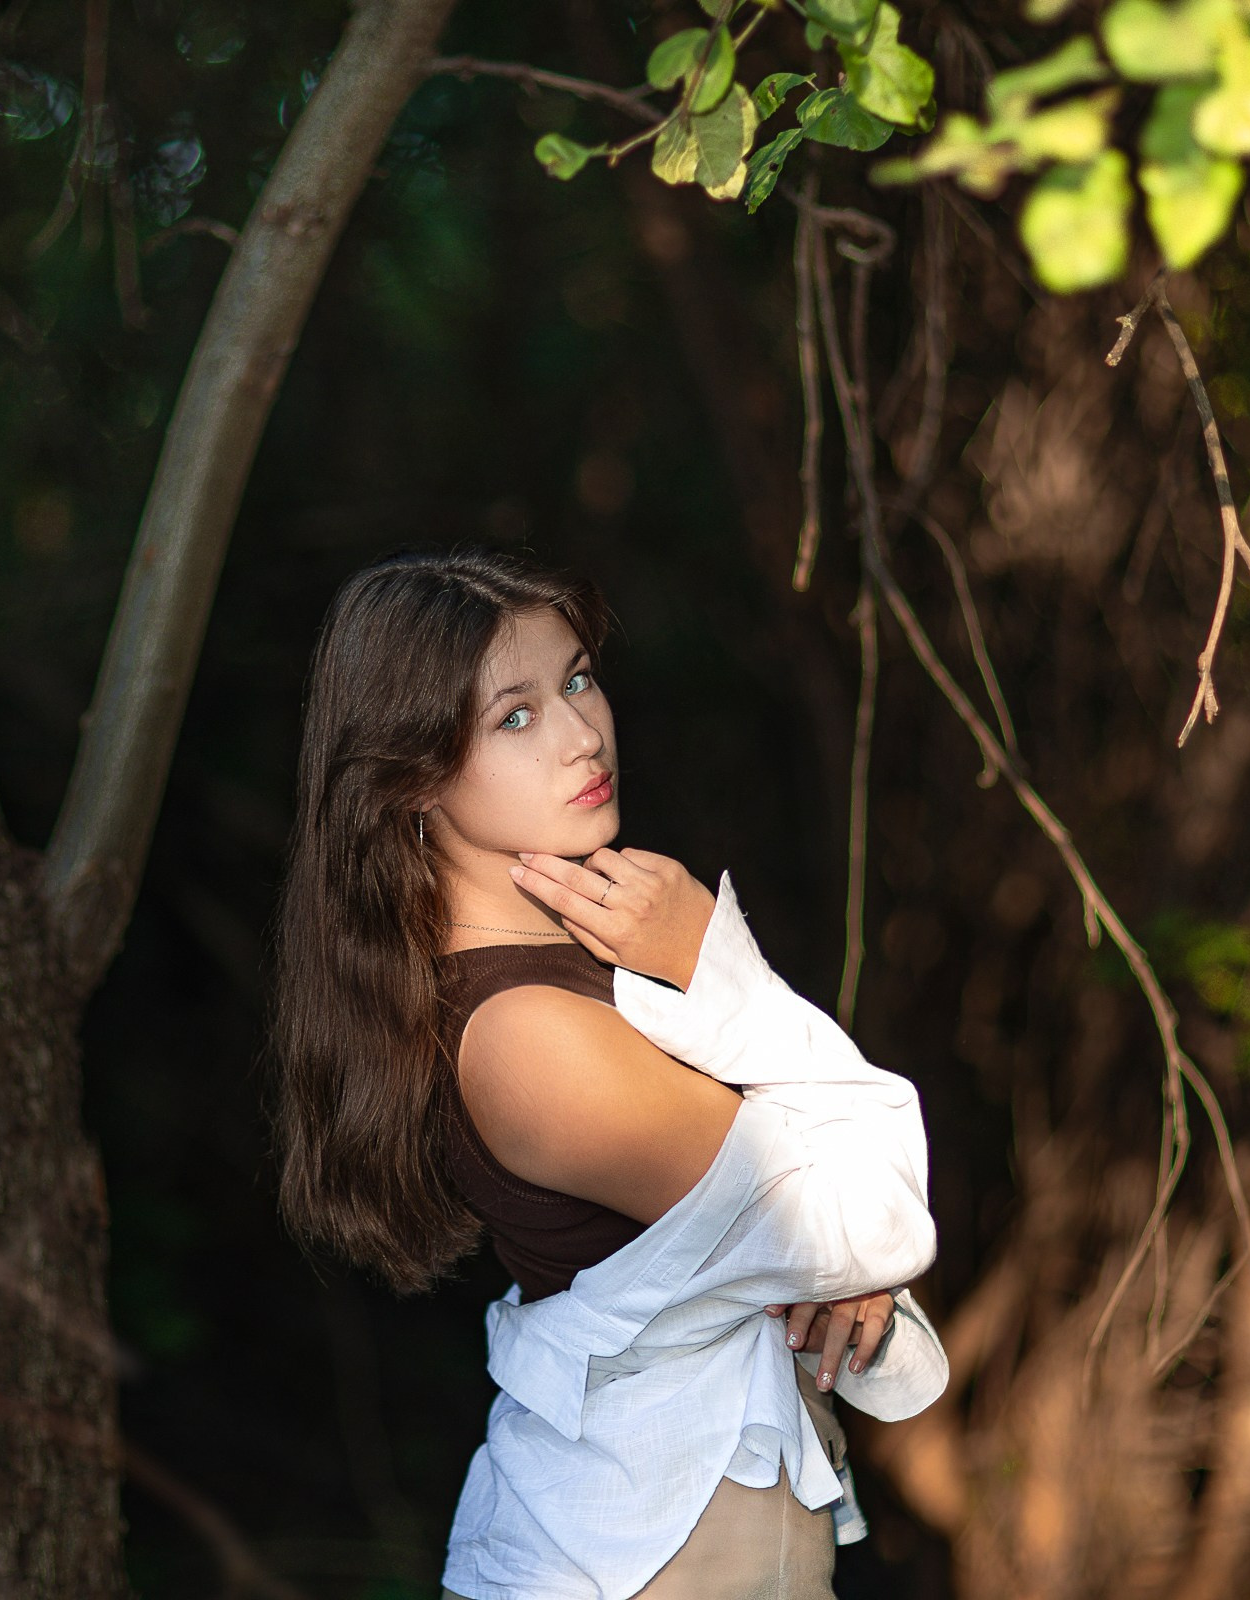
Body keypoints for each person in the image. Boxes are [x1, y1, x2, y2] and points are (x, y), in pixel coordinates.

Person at [270, 547, 946, 1598]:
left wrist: (831, 1244)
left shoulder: (564, 976)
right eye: (516, 715)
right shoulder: (527, 1031)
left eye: (579, 677)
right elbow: (872, 1222)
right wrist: (720, 966)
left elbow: (842, 1229)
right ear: (412, 777)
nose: (584, 732)